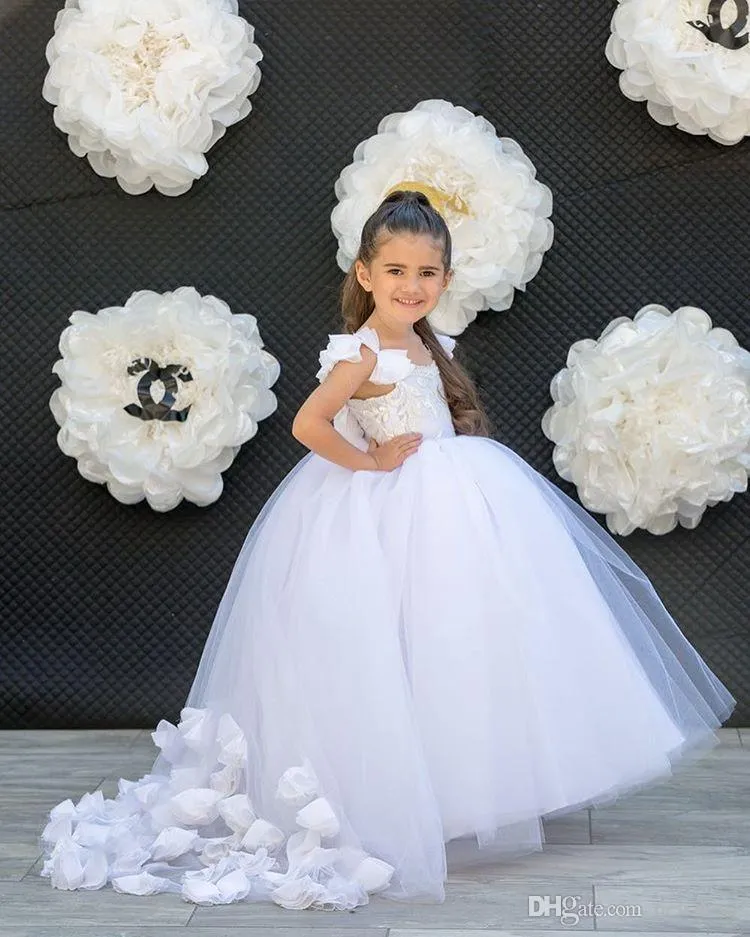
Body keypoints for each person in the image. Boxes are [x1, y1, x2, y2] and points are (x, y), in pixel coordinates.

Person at [39, 190, 736, 911]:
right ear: (365, 273)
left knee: (458, 641)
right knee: (389, 642)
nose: (412, 285)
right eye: (396, 269)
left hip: (450, 498)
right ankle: (393, 796)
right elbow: (310, 424)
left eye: (427, 272)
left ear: (445, 278)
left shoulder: (426, 344)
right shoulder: (362, 350)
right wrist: (368, 462)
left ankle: (456, 790)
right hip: (386, 506)